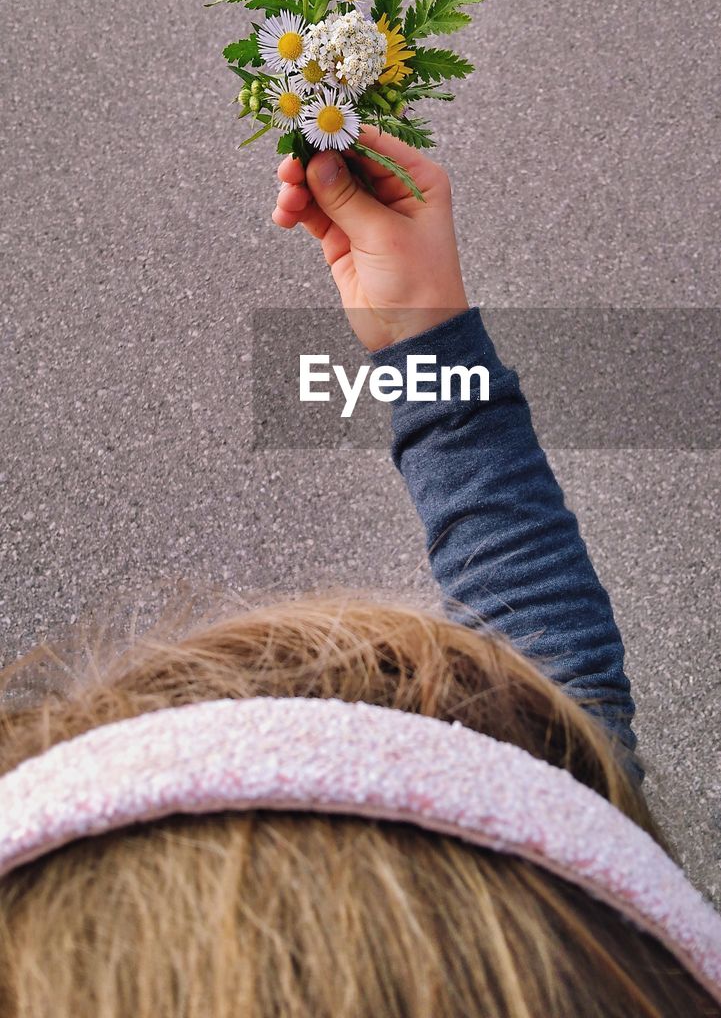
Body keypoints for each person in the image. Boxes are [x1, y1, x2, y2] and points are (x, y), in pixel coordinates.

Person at [0, 128, 718, 1017]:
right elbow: (562, 725)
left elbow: (564, 733)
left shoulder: (589, 930)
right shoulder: (584, 930)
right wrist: (432, 345)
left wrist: (426, 344)